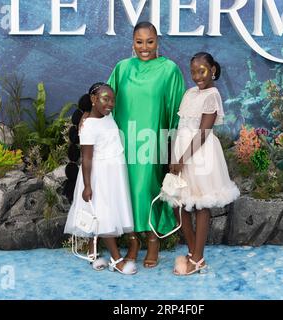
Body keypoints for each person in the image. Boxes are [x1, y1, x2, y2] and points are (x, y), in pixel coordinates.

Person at [108, 21, 186, 268]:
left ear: (157, 42)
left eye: (150, 41)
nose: (145, 47)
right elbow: (106, 102)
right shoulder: (122, 68)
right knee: (126, 190)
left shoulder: (169, 70)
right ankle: (133, 241)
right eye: (139, 42)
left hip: (153, 141)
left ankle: (153, 240)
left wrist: (174, 146)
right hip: (124, 142)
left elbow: (177, 110)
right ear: (132, 42)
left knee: (146, 188)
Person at [170, 52, 240, 275]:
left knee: (200, 203)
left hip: (199, 153)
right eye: (193, 72)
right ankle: (193, 254)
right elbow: (182, 127)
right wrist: (174, 155)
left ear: (213, 71)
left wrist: (182, 159)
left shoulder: (212, 95)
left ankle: (198, 256)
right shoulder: (190, 93)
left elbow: (202, 133)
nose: (197, 76)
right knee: (179, 203)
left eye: (202, 71)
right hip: (182, 149)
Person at [64, 83, 136, 275]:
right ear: (93, 99)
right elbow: (86, 158)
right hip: (99, 175)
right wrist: (87, 185)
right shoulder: (88, 126)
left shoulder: (107, 116)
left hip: (114, 172)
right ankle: (116, 259)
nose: (110, 103)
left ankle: (93, 252)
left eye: (112, 100)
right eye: (105, 99)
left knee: (101, 212)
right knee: (104, 214)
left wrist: (87, 113)